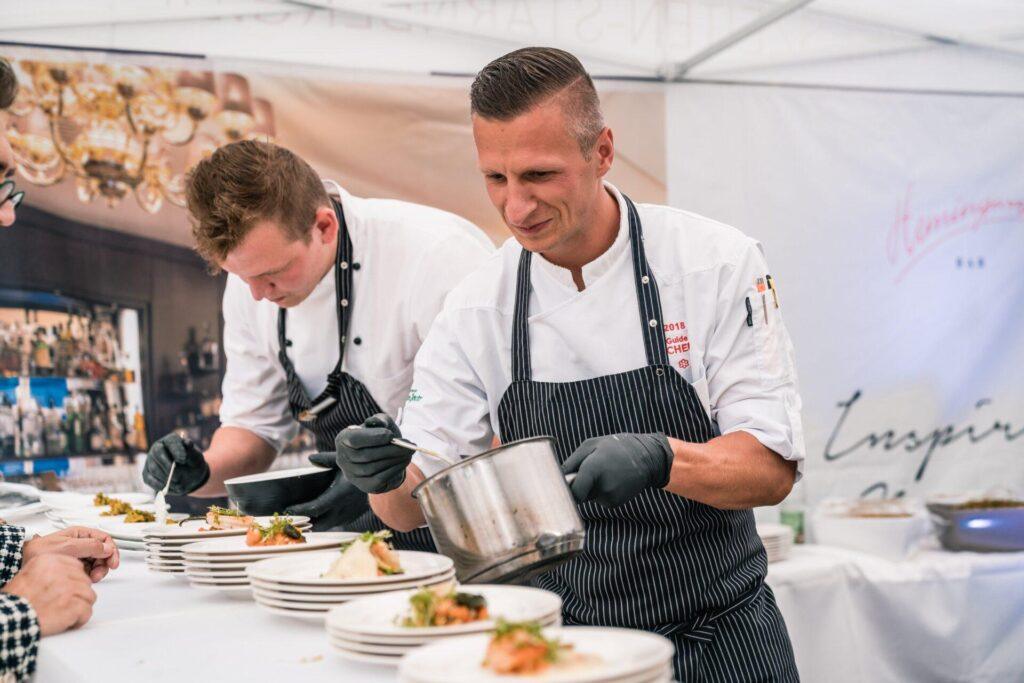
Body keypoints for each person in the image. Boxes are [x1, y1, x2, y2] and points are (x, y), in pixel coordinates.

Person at [333, 48, 804, 681]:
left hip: (721, 634)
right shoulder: (477, 307)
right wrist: (381, 475)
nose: (516, 207)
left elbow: (770, 469)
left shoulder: (714, 264)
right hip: (568, 650)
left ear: (602, 151)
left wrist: (665, 458)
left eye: (540, 175)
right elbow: (411, 507)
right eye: (495, 179)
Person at [142, 139, 492, 545]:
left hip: (455, 524)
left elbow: (500, 426)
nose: (258, 295)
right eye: (240, 277)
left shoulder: (435, 255)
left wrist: (383, 482)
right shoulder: (251, 286)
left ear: (325, 226)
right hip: (346, 534)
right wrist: (201, 472)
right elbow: (253, 429)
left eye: (274, 272)